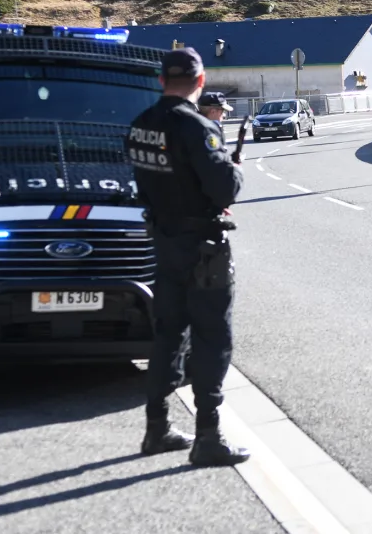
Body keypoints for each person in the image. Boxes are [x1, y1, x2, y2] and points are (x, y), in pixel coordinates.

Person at [126, 48, 250, 468]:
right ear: (200, 83)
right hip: (204, 249)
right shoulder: (198, 129)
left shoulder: (140, 126)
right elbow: (225, 190)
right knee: (212, 338)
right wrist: (234, 167)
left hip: (164, 243)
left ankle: (156, 427)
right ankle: (208, 436)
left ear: (162, 81)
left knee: (167, 335)